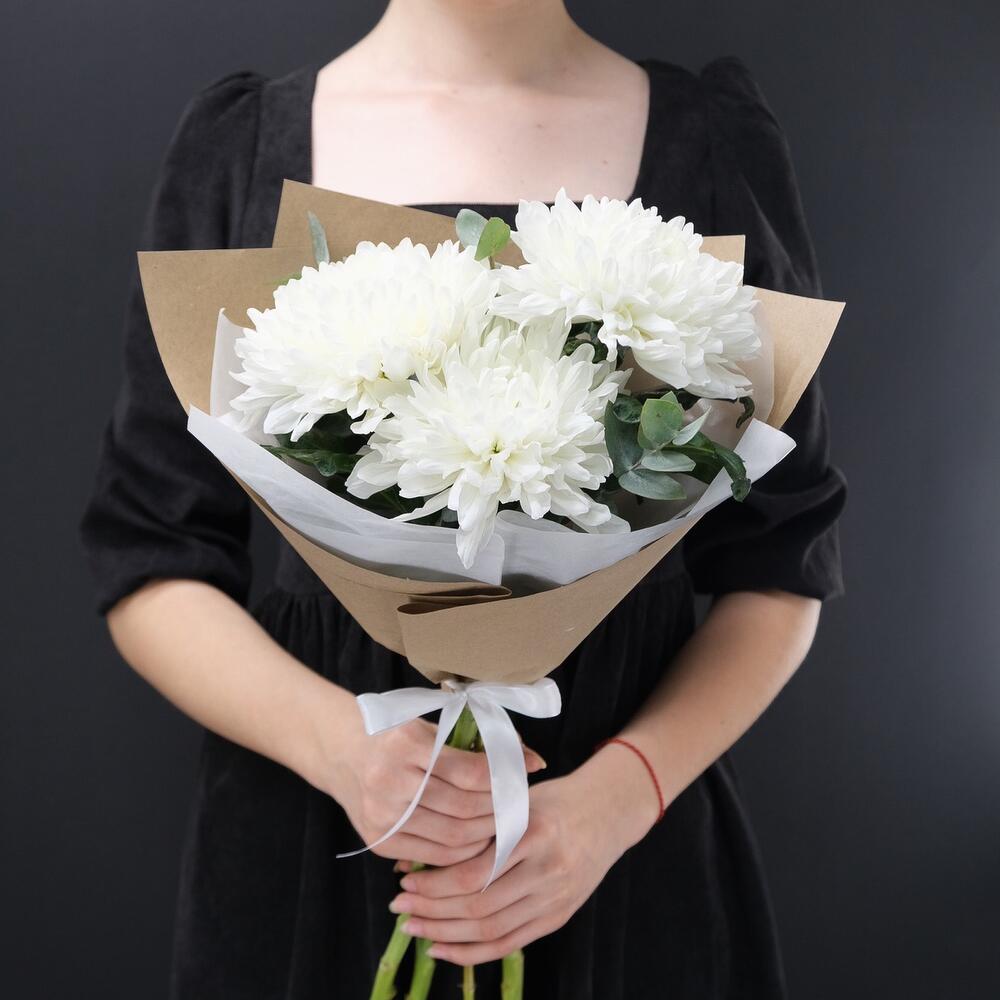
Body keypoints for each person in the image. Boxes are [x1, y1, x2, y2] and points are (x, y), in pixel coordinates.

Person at [80, 1, 846, 996]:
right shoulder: (238, 149)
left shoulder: (712, 142)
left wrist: (619, 799)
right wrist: (343, 751)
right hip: (314, 836)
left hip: (622, 849)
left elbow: (782, 566)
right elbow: (151, 559)